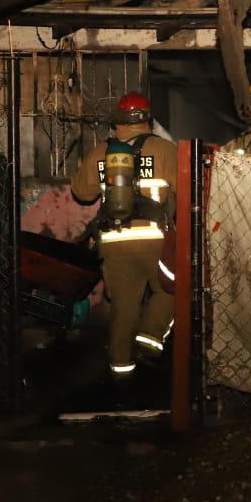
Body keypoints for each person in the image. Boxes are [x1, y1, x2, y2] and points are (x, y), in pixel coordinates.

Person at [71, 92, 179, 381]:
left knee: (123, 307)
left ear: (116, 123)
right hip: (156, 241)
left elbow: (82, 192)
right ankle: (150, 339)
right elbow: (186, 196)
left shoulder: (102, 152)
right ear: (147, 122)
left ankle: (121, 376)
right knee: (173, 290)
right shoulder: (167, 150)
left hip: (115, 243)